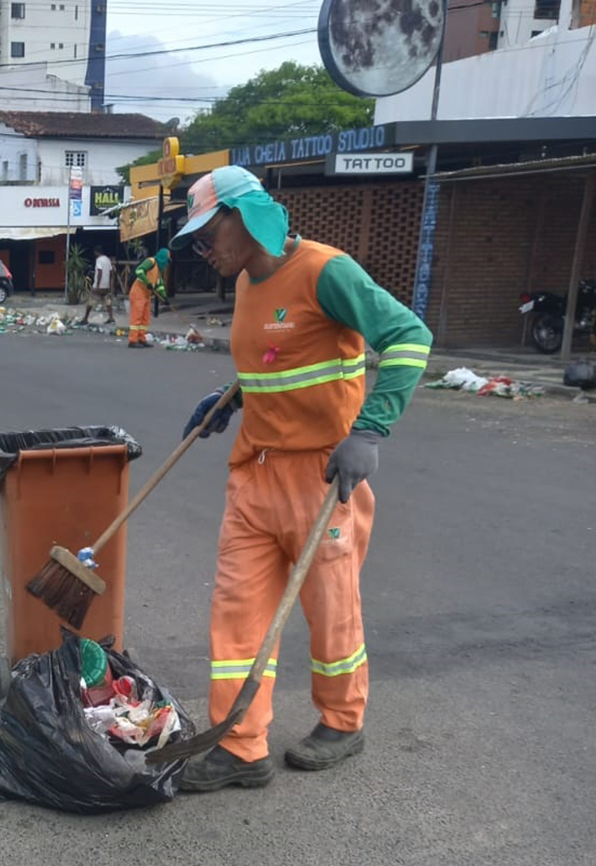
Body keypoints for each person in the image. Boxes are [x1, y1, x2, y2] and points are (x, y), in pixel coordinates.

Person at [170, 165, 432, 793]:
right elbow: (272, 362)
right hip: (253, 477)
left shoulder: (324, 270)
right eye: (196, 238)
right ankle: (239, 745)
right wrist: (227, 400)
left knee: (330, 611)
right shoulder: (245, 287)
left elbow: (409, 336)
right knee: (236, 616)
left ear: (247, 215)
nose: (203, 248)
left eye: (210, 231)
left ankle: (343, 722)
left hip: (321, 479)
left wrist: (369, 431)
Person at [128, 248, 169, 348]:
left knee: (145, 318)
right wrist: (147, 282)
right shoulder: (151, 261)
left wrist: (165, 297)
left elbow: (159, 285)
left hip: (146, 294)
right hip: (138, 292)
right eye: (167, 260)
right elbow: (139, 270)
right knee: (137, 317)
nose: (167, 263)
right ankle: (133, 340)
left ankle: (141, 338)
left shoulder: (158, 270)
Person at [80, 246, 115, 325]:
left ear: (96, 252)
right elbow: (111, 273)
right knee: (107, 301)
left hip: (99, 285)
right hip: (106, 285)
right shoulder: (107, 259)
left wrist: (97, 285)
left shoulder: (99, 260)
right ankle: (111, 318)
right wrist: (109, 284)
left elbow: (99, 272)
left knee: (91, 301)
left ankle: (85, 318)